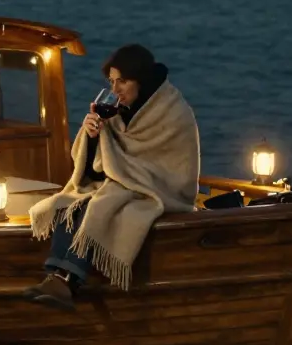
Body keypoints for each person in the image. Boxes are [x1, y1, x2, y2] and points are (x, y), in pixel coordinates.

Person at [23, 43, 200, 310]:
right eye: (111, 82)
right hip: (124, 186)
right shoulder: (118, 112)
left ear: (141, 79)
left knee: (100, 205)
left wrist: (126, 176)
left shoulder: (174, 111)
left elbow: (174, 172)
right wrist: (93, 137)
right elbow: (95, 171)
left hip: (162, 192)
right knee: (70, 204)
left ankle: (65, 280)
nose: (115, 90)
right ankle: (58, 277)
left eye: (123, 82)